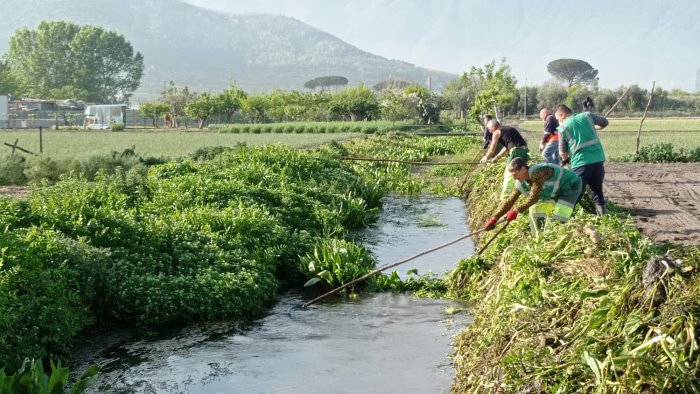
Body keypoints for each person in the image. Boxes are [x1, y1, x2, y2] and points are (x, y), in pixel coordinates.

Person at [484, 157, 582, 235]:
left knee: (559, 219)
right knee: (535, 210)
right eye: (512, 175)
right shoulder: (520, 182)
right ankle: (539, 237)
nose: (514, 178)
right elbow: (510, 200)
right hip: (554, 194)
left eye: (515, 174)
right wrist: (495, 218)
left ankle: (557, 235)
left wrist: (516, 211)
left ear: (523, 169)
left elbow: (534, 197)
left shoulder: (539, 172)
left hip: (570, 187)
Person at [554, 104, 609, 215]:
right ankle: (603, 218)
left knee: (573, 192)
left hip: (581, 163)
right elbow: (605, 122)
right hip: (598, 159)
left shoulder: (563, 128)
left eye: (558, 119)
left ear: (562, 115)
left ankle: (562, 218)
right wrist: (595, 127)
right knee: (597, 192)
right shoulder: (587, 116)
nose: (558, 121)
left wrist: (565, 159)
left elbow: (562, 152)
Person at [480, 119, 530, 197]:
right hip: (524, 150)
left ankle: (505, 197)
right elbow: (507, 148)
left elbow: (491, 149)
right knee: (521, 172)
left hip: (516, 151)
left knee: (509, 172)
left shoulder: (496, 132)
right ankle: (526, 192)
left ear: (493, 127)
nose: (489, 131)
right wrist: (497, 157)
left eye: (489, 129)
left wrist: (486, 157)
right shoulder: (508, 129)